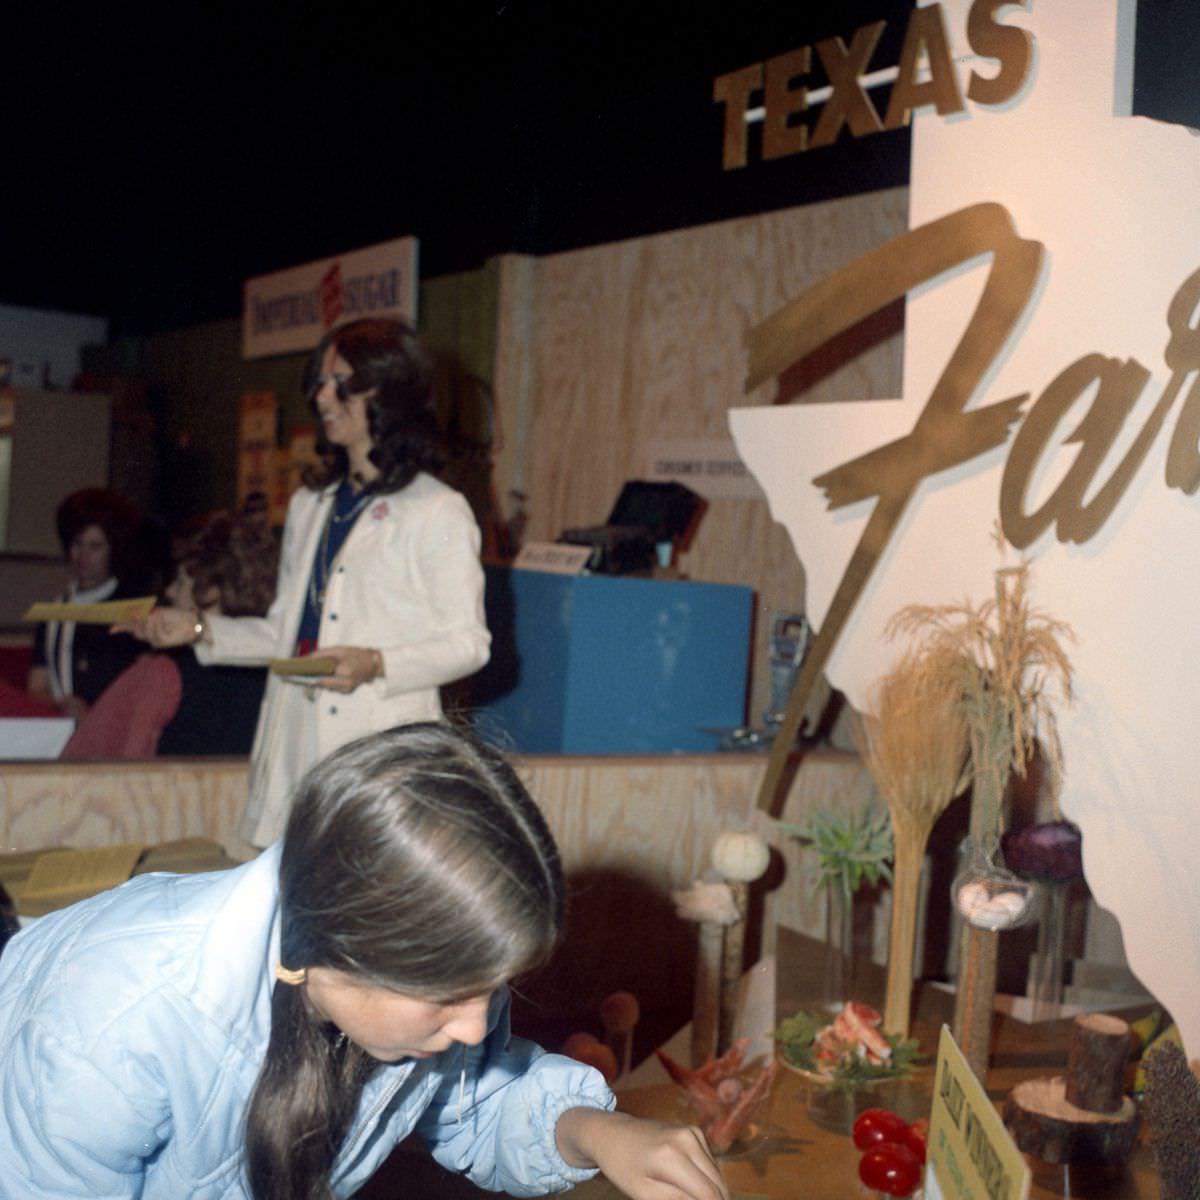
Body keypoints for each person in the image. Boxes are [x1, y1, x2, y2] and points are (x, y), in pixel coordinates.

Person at [0, 723, 728, 1200]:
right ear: (340, 944)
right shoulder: (112, 1023)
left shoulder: (421, 975)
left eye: (492, 990)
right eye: (449, 998)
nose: (476, 1028)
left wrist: (602, 1132)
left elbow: (474, 1103)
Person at [126, 318, 491, 844]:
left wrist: (376, 664)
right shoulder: (310, 504)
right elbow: (287, 638)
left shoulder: (437, 509)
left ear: (390, 392)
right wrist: (200, 630)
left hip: (380, 750)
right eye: (320, 382)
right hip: (294, 742)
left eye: (340, 382)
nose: (322, 396)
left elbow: (469, 644)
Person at [61, 511, 279, 758]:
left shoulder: (162, 673)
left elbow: (96, 762)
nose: (170, 591)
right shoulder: (281, 671)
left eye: (181, 581)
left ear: (212, 592)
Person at [27, 487, 148, 721]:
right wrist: (60, 704)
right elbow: (35, 688)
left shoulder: (135, 612)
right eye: (77, 543)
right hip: (64, 733)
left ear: (113, 551)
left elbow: (146, 689)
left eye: (95, 546)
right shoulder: (53, 613)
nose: (83, 555)